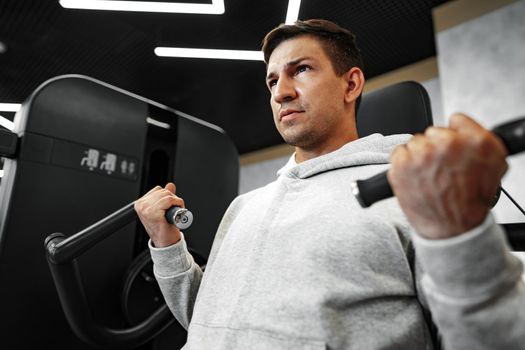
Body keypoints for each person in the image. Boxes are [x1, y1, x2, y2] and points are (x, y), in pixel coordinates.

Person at [134, 19, 525, 349]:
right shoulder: (243, 206)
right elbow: (207, 323)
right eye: (272, 81)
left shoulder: (411, 192)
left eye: (300, 69)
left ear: (351, 84)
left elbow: (492, 339)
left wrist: (460, 236)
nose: (281, 92)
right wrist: (167, 245)